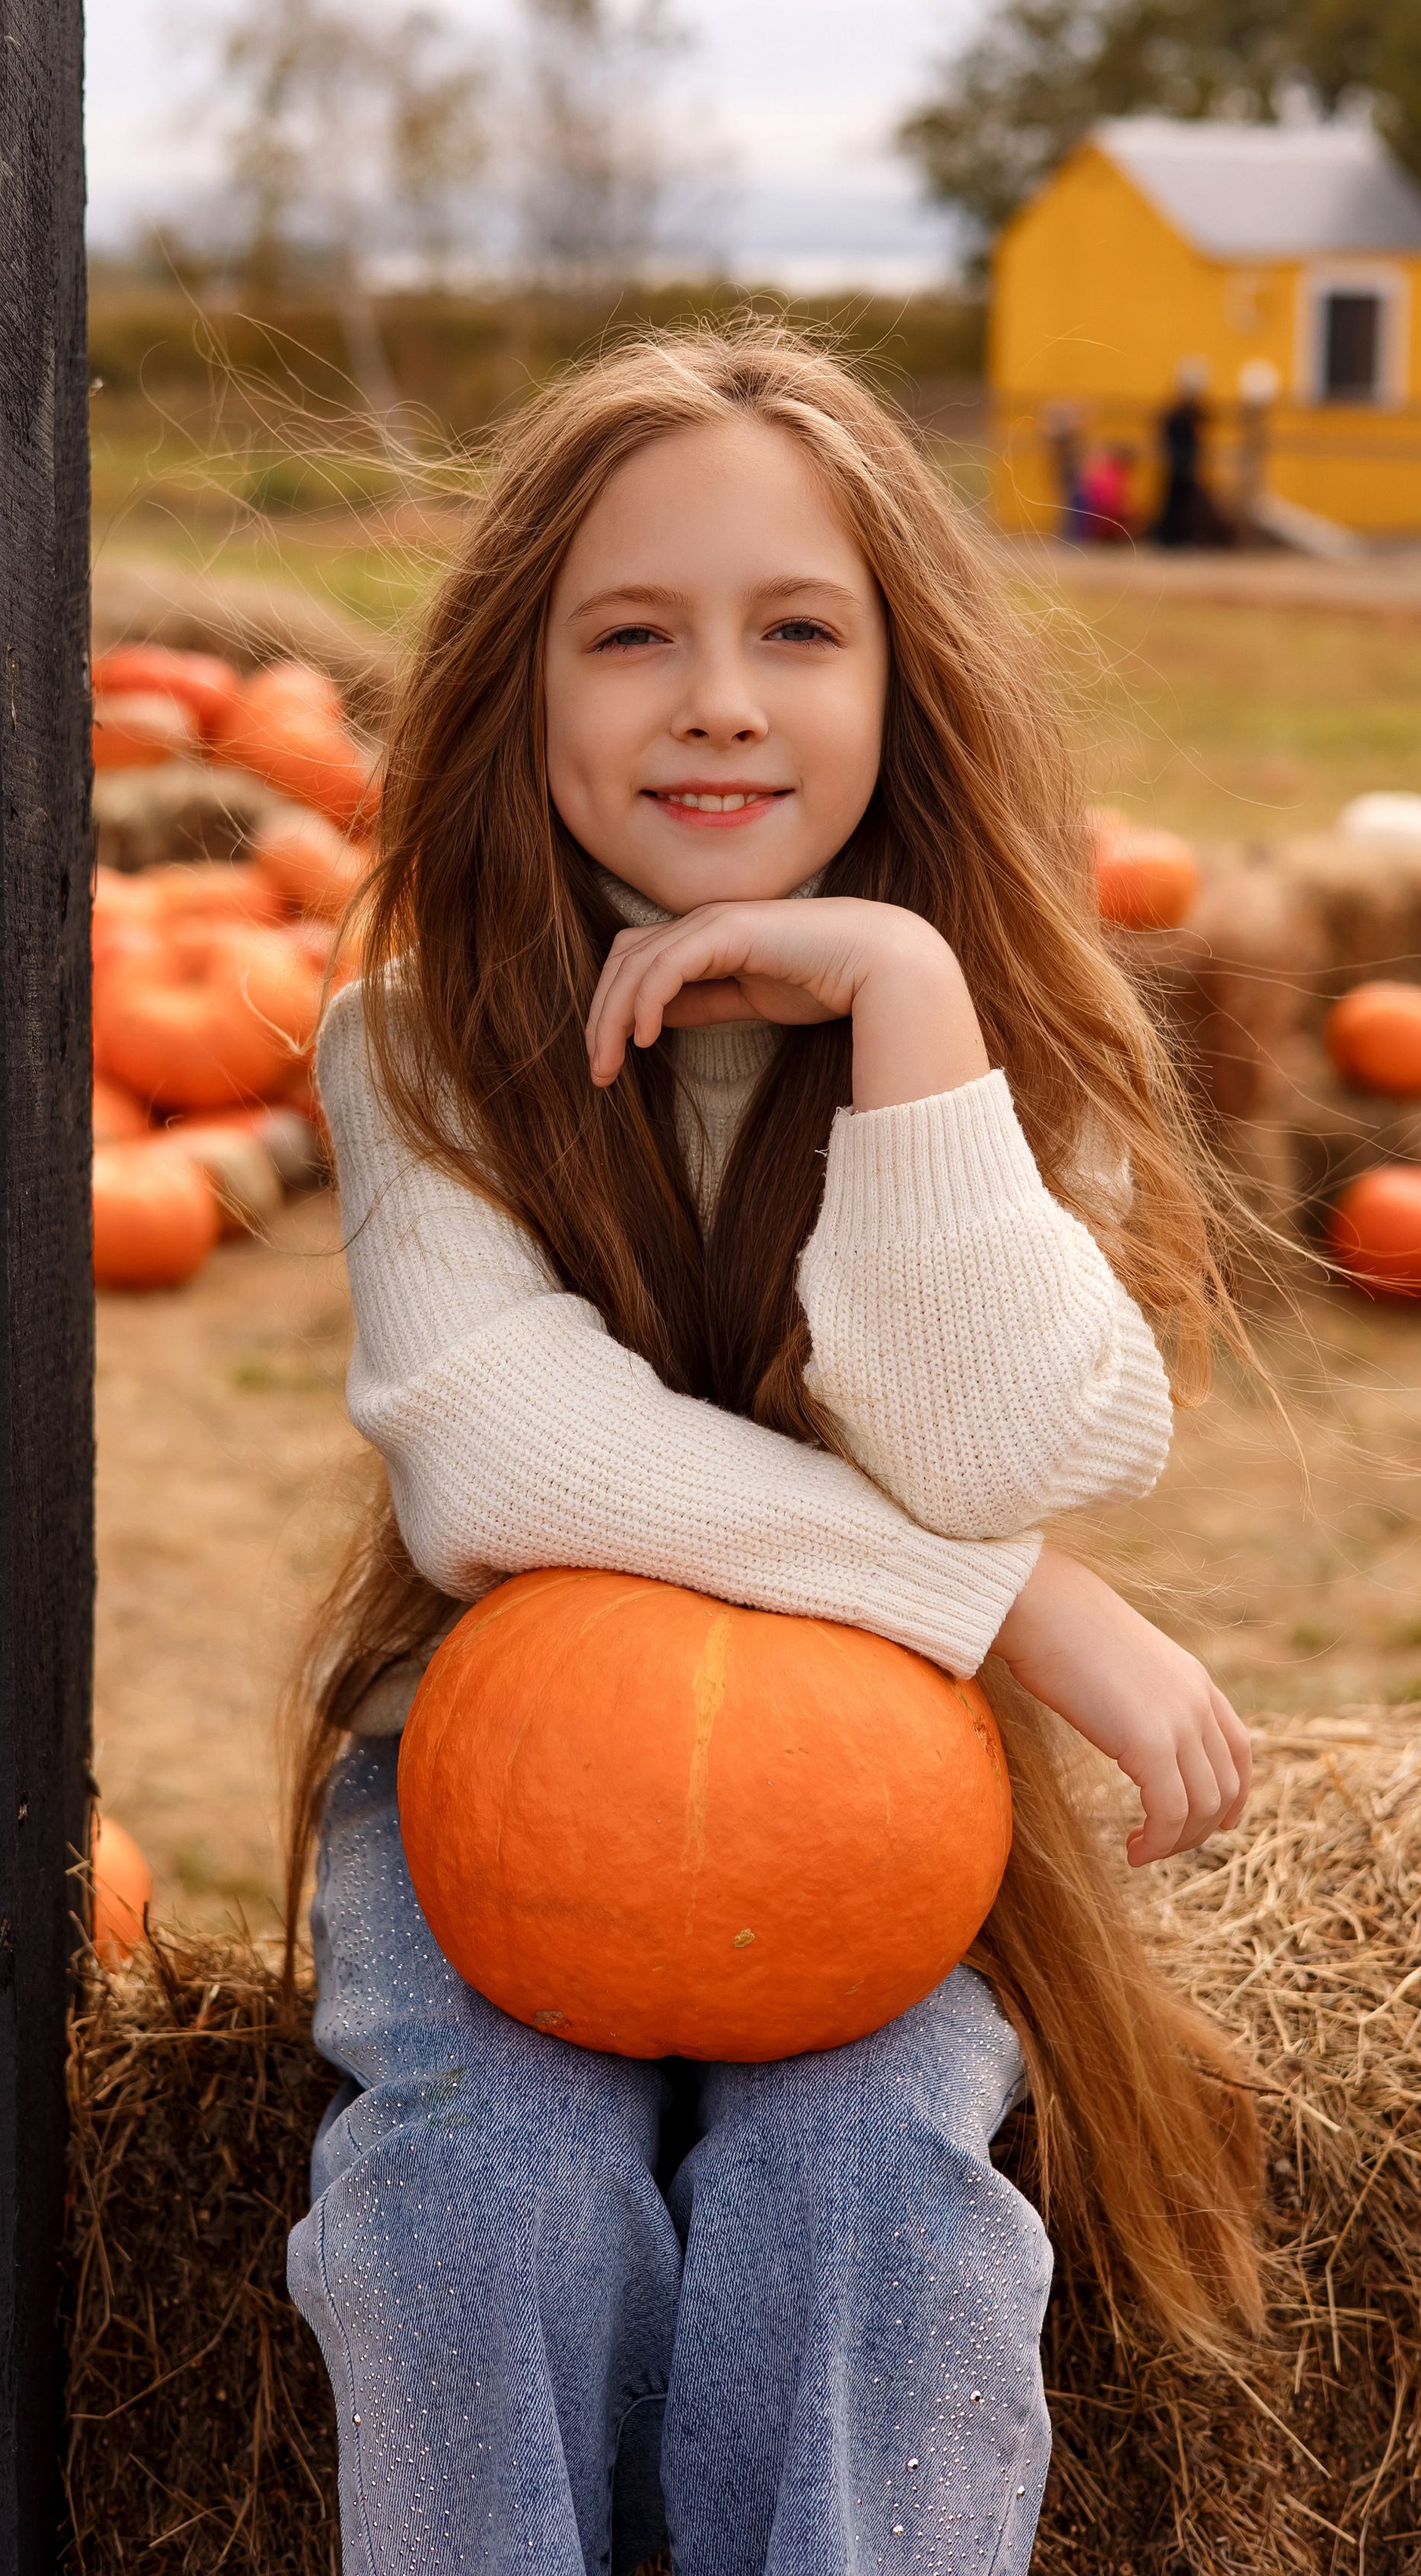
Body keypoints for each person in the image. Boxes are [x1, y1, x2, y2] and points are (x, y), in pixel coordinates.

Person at [282, 325, 1262, 2576]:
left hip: (878, 1797)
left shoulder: (1002, 1053)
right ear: (517, 695)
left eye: (794, 631)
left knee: (872, 2182)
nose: (717, 695)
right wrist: (1009, 1601)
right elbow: (497, 1453)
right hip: (494, 1761)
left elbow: (1022, 1433)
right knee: (468, 2179)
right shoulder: (415, 1047)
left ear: (899, 688)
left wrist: (909, 1007)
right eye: (634, 633)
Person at [1153, 360, 1231, 548]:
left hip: (1186, 462)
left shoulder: (1187, 413)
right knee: (1176, 499)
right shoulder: (1176, 414)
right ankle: (1171, 537)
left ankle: (1176, 536)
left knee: (1184, 499)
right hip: (1179, 462)